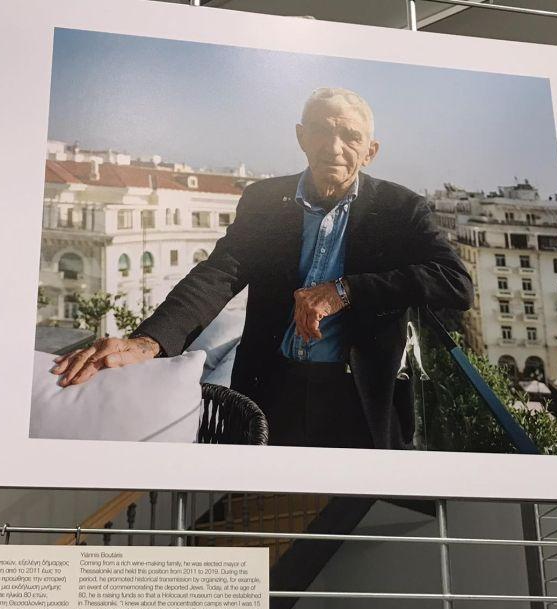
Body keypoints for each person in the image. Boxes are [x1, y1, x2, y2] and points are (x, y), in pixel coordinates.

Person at [51, 87, 473, 449]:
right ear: (301, 137)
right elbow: (219, 273)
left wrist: (345, 291)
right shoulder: (264, 200)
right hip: (272, 388)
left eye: (351, 136)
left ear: (370, 151)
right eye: (323, 130)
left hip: (358, 396)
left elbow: (455, 282)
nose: (335, 146)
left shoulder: (400, 209)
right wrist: (149, 341)